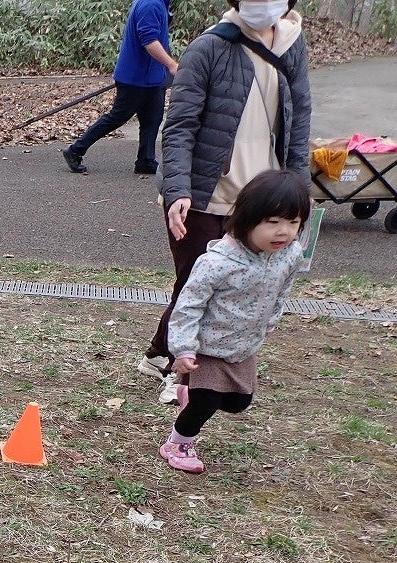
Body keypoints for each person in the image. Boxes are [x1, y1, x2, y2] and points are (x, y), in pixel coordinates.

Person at [141, 0, 311, 405]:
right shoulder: (209, 47)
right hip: (204, 194)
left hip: (263, 200)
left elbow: (300, 119)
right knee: (195, 284)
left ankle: (159, 353)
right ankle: (181, 373)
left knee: (238, 287)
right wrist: (178, 190)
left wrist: (299, 193)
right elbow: (179, 127)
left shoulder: (292, 44)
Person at [158, 170, 308, 474]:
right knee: (206, 401)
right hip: (207, 345)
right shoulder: (218, 262)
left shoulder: (290, 254)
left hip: (243, 344)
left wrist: (271, 319)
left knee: (239, 402)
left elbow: (283, 288)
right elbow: (188, 306)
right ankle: (178, 443)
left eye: (293, 222)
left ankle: (190, 393)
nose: (283, 232)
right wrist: (183, 349)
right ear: (247, 218)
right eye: (273, 222)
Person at [61, 0, 177, 176]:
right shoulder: (150, 4)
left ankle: (145, 160)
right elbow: (149, 40)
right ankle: (75, 150)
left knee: (152, 118)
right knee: (118, 116)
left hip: (152, 77)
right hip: (135, 77)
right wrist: (171, 65)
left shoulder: (160, 3)